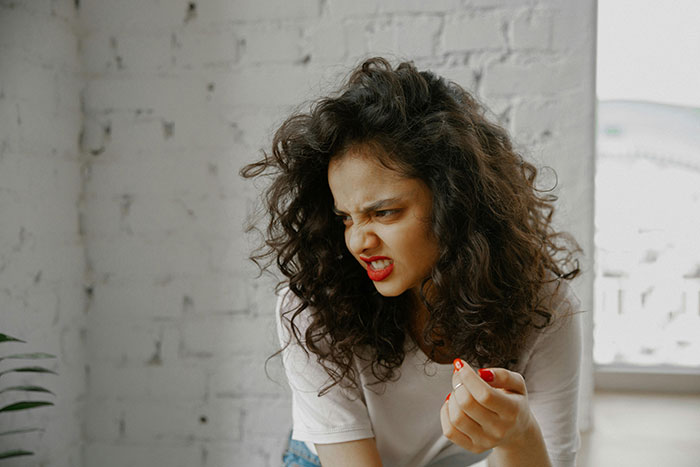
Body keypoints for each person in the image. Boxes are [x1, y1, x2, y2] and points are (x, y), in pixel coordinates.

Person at [241, 57, 583, 467]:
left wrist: (517, 434)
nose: (358, 242)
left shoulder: (543, 303)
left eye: (383, 213)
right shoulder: (313, 305)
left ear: (454, 202)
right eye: (346, 218)